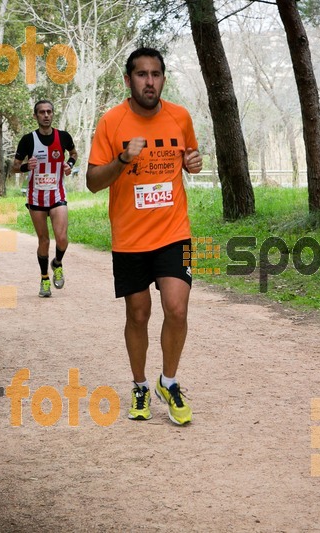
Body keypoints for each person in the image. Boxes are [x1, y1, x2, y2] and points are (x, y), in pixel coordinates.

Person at [86, 48, 203, 426]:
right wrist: (121, 161)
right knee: (138, 315)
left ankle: (168, 382)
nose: (149, 81)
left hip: (174, 233)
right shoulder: (112, 122)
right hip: (130, 239)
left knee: (177, 308)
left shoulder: (180, 117)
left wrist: (193, 163)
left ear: (163, 78)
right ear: (128, 80)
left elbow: (189, 158)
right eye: (141, 74)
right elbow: (91, 183)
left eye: (155, 74)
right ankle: (139, 385)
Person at [12, 100, 77, 298]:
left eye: (49, 112)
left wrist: (69, 164)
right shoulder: (28, 140)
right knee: (44, 240)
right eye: (42, 112)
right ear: (36, 116)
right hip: (36, 197)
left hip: (57, 194)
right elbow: (14, 166)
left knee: (62, 238)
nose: (46, 115)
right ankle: (44, 279)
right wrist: (25, 167)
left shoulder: (63, 137)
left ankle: (57, 263)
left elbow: (73, 153)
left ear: (53, 114)